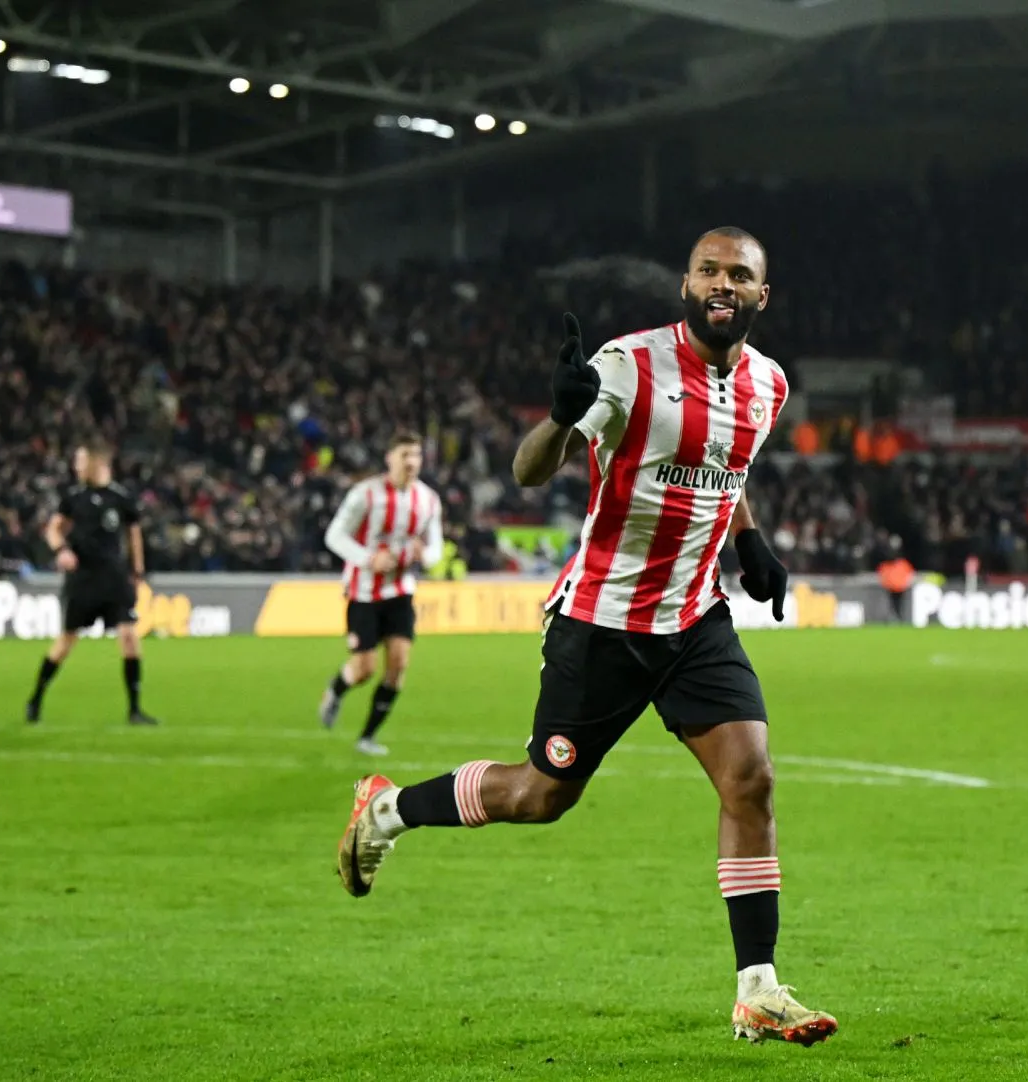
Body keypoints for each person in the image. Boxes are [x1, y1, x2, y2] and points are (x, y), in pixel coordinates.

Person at [334, 228, 837, 1047]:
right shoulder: (628, 365)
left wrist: (750, 541)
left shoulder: (769, 387)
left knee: (751, 779)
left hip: (693, 620)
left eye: (738, 275)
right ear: (685, 284)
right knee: (541, 796)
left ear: (759, 296)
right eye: (708, 270)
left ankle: (758, 989)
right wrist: (561, 416)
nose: (722, 283)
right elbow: (533, 469)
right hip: (602, 623)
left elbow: (727, 469)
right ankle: (387, 810)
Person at [317, 431, 444, 756]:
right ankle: (336, 689)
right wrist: (367, 558)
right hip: (363, 592)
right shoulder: (366, 495)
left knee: (399, 664)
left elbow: (435, 547)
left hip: (400, 591)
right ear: (389, 458)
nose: (412, 461)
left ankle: (367, 737)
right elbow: (334, 536)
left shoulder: (428, 499)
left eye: (416, 455)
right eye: (405, 454)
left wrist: (423, 557)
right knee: (364, 668)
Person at [26, 440, 157, 726]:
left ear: (98, 463)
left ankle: (134, 710)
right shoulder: (73, 497)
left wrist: (138, 571)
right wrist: (62, 550)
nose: (76, 466)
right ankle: (35, 699)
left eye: (81, 461)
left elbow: (133, 535)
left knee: (129, 637)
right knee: (66, 641)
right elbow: (53, 530)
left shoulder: (121, 497)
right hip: (83, 579)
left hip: (114, 578)